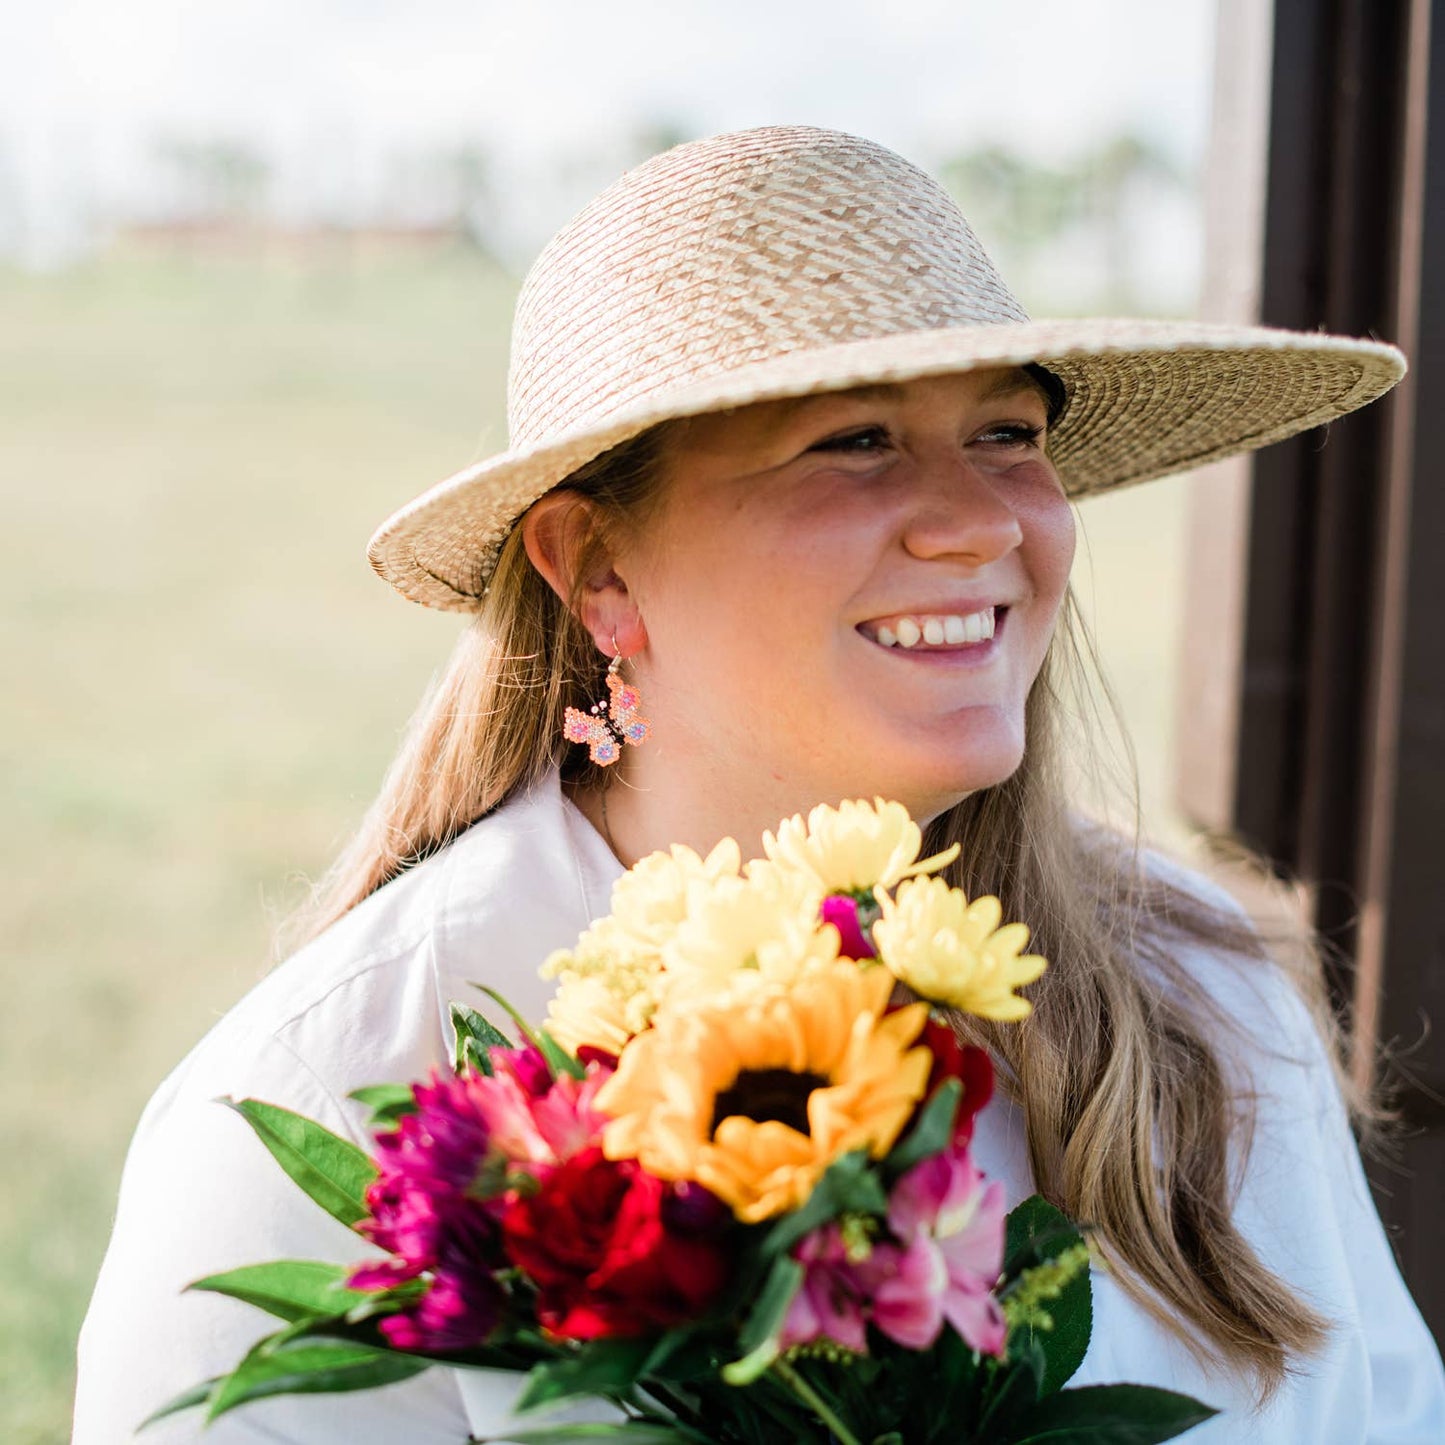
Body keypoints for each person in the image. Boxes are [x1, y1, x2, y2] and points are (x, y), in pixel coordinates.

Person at [75, 125, 1444, 1443]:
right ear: (598, 570)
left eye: (1007, 433)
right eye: (852, 439)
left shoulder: (1204, 994)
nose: (976, 519)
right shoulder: (346, 1106)